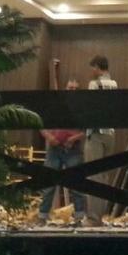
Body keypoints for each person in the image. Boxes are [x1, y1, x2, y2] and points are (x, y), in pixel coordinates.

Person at [38, 79, 86, 224]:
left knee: (76, 184)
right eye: (70, 88)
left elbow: (86, 130)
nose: (73, 91)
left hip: (73, 149)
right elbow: (40, 124)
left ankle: (79, 217)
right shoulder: (55, 106)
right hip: (54, 148)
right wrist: (49, 137)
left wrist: (73, 139)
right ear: (65, 89)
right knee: (48, 183)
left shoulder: (82, 108)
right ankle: (42, 216)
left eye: (76, 89)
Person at [83, 54, 118, 225]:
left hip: (96, 132)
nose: (91, 71)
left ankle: (93, 218)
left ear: (97, 67)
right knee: (104, 175)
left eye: (92, 68)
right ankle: (102, 215)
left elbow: (90, 107)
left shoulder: (94, 84)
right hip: (110, 132)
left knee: (93, 175)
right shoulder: (114, 84)